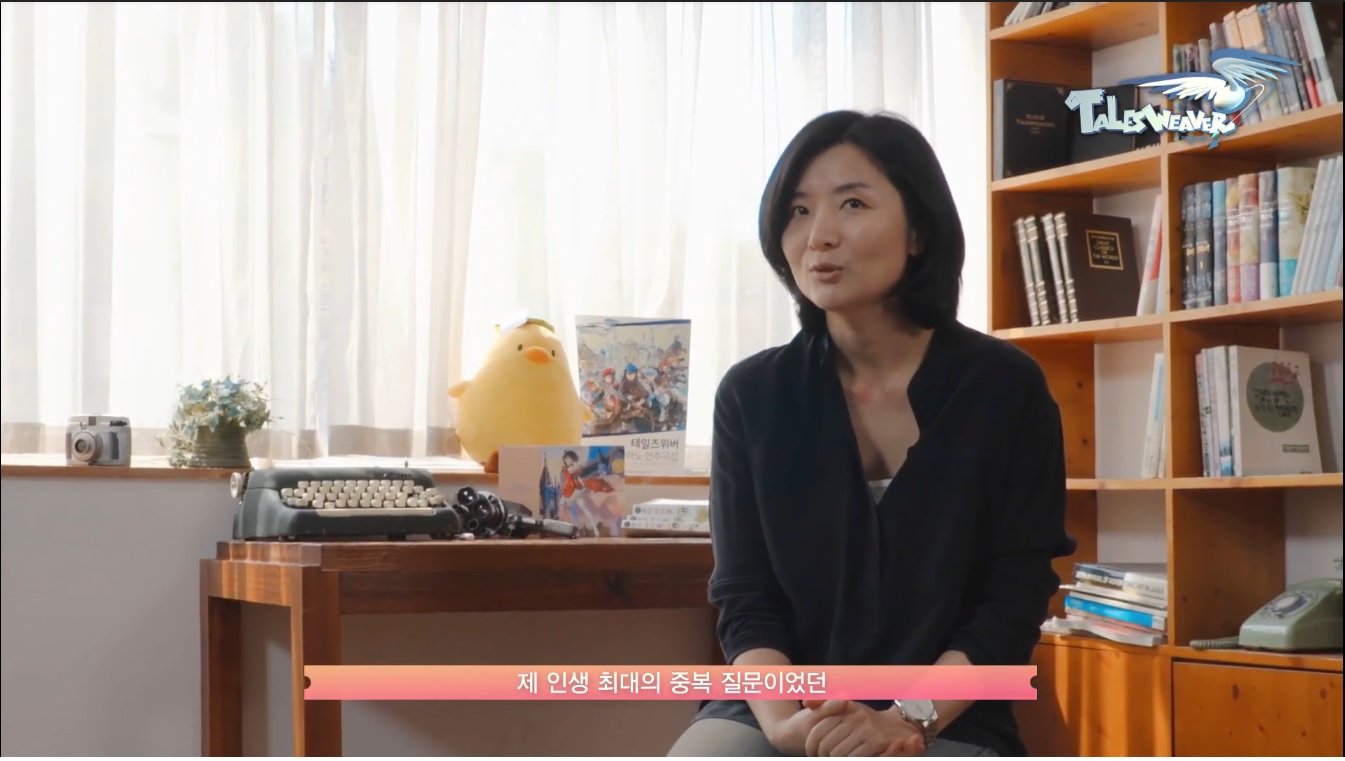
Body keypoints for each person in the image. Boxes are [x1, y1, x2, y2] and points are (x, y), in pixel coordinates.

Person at [666, 110, 1075, 757]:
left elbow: (1010, 602)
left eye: (851, 203)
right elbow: (746, 598)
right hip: (777, 708)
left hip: (947, 714)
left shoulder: (1005, 388)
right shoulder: (751, 394)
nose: (818, 236)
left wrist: (907, 718)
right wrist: (783, 725)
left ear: (918, 230)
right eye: (798, 211)